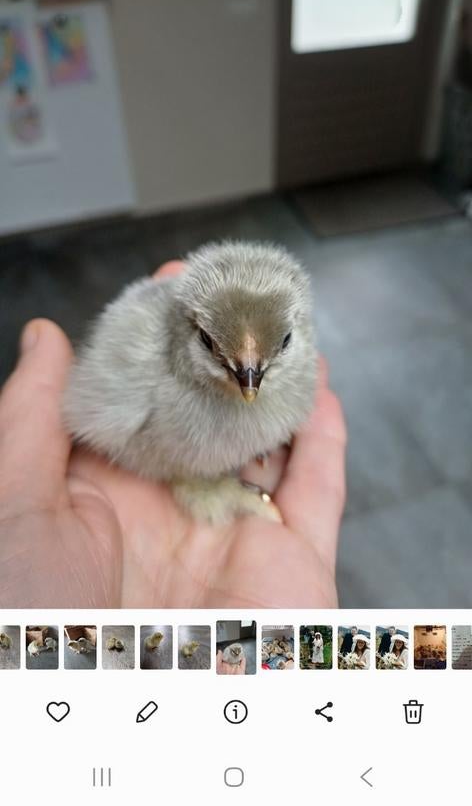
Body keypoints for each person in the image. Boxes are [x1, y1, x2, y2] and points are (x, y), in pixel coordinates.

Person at [0, 260, 347, 609]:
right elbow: (93, 413)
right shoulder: (149, 363)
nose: (249, 386)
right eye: (212, 344)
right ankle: (192, 479)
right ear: (194, 331)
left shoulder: (295, 374)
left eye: (284, 341)